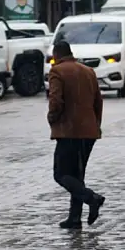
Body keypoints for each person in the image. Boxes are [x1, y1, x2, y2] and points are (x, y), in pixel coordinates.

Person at [47, 40, 106, 230]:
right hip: (89, 132)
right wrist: (96, 124)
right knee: (77, 175)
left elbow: (56, 101)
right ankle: (74, 218)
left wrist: (52, 118)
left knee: (61, 174)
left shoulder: (57, 71)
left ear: (56, 54)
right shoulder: (88, 71)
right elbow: (98, 102)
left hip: (69, 131)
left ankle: (92, 198)